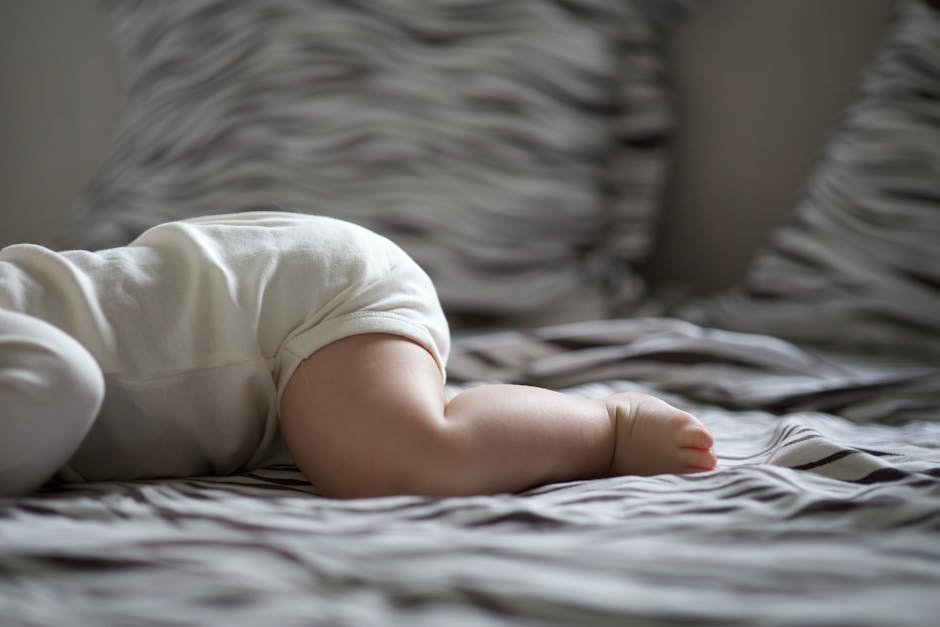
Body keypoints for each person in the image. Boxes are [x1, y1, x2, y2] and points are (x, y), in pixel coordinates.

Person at [0, 212, 716, 498]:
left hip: (303, 296)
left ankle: (609, 425)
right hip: (264, 309)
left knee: (401, 458)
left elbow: (56, 382)